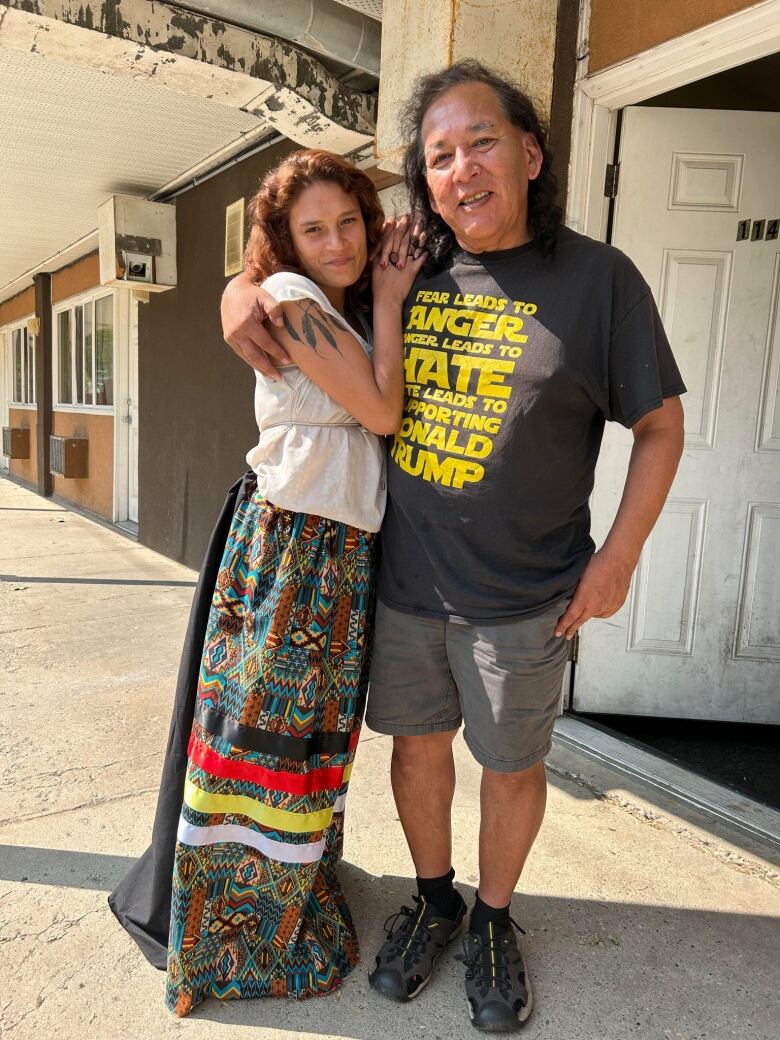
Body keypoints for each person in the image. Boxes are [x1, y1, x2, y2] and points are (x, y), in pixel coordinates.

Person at [221, 61, 686, 1032]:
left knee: (512, 765)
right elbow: (304, 260)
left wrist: (621, 558)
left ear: (530, 152)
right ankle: (435, 898)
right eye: (438, 154)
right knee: (416, 752)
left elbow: (659, 425)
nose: (462, 167)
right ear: (421, 179)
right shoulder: (405, 259)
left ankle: (495, 918)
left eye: (481, 142)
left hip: (526, 596)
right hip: (404, 582)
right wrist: (240, 290)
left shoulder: (601, 281)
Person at [110, 149, 425, 1017]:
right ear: (283, 241)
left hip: (336, 549)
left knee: (309, 743)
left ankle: (289, 888)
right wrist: (391, 301)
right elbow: (384, 412)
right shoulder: (291, 300)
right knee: (262, 741)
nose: (337, 241)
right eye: (312, 229)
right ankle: (232, 938)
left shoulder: (329, 301)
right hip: (296, 551)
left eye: (348, 222)